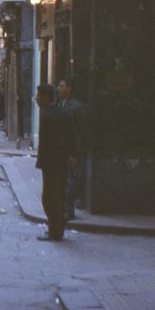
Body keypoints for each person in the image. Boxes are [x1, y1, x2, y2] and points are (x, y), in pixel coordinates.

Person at [35, 84, 74, 241]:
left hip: (52, 162)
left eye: (38, 95)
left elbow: (48, 142)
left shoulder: (49, 115)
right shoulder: (60, 112)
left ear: (46, 97)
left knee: (50, 197)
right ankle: (56, 229)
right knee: (55, 196)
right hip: (59, 161)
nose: (36, 99)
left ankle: (55, 231)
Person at [57, 78, 84, 219]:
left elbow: (79, 131)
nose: (58, 88)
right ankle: (64, 208)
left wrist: (74, 152)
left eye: (61, 86)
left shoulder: (76, 107)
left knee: (71, 180)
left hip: (72, 150)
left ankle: (69, 210)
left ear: (69, 88)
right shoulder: (60, 105)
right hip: (62, 149)